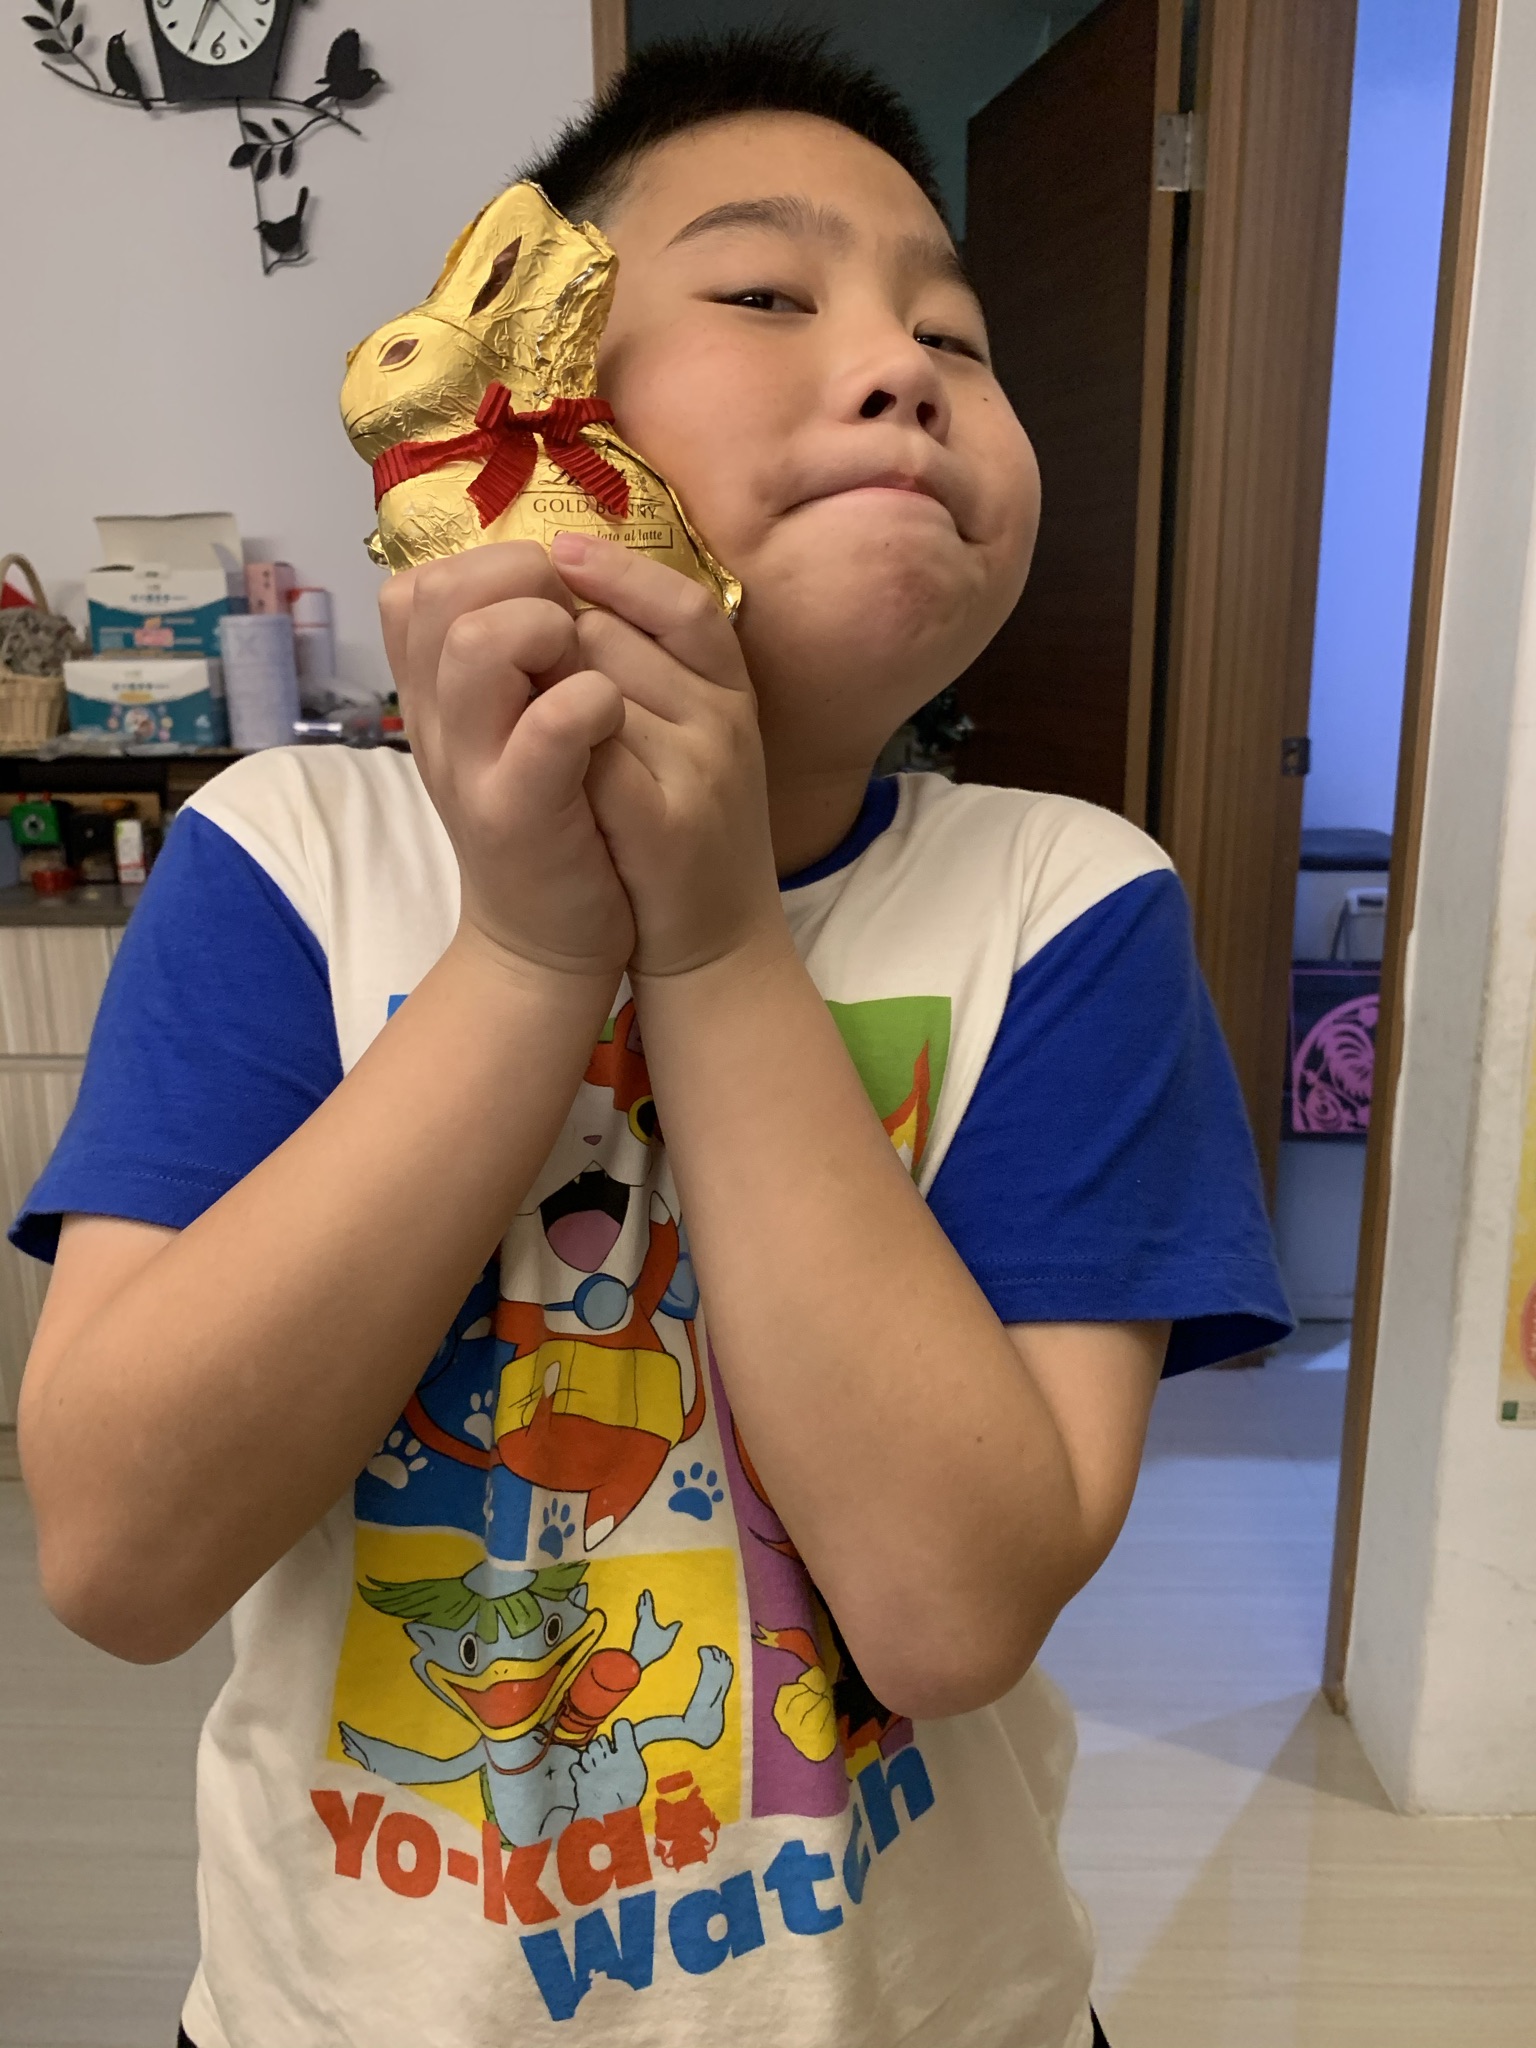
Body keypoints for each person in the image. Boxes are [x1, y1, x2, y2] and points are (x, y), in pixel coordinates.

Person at [12, 29, 1290, 2048]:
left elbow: (949, 1615)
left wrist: (710, 946)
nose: (902, 370)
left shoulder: (1071, 904)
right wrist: (534, 951)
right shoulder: (292, 855)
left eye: (955, 336)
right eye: (768, 294)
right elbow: (122, 1556)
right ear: (527, 393)